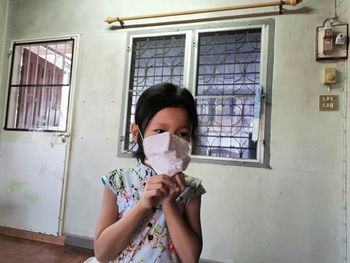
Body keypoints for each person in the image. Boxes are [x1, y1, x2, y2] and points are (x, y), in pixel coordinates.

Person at [86, 83, 206, 263]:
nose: (169, 141)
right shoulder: (118, 181)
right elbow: (102, 254)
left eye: (182, 133)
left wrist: (169, 204)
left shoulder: (191, 189)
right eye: (159, 131)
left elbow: (191, 258)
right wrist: (142, 205)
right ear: (136, 133)